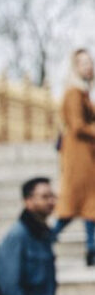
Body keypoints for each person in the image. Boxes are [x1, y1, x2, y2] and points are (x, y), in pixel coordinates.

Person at [53, 49, 95, 266]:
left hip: (85, 153)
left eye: (90, 62)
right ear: (75, 67)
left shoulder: (83, 93)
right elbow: (78, 126)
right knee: (78, 202)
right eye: (83, 63)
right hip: (79, 155)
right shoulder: (74, 93)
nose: (88, 67)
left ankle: (92, 249)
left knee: (89, 203)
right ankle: (45, 239)